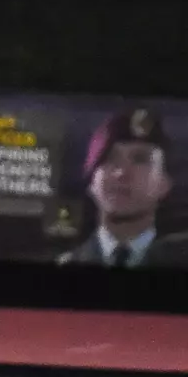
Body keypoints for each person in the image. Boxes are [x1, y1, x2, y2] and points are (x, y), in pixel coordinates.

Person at [57, 107, 187, 268]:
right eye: (110, 158)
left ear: (165, 184)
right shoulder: (66, 264)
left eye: (140, 159)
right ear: (91, 182)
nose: (121, 173)